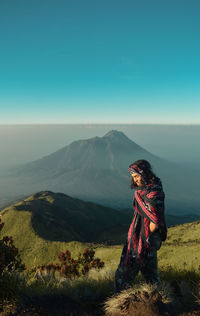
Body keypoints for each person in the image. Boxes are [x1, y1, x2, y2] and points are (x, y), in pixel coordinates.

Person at [114, 159, 167, 293]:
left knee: (124, 276)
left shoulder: (154, 192)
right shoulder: (142, 190)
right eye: (133, 177)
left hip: (146, 240)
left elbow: (156, 219)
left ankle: (120, 307)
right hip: (141, 239)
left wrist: (147, 235)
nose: (135, 180)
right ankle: (158, 304)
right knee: (151, 277)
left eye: (137, 176)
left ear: (145, 173)